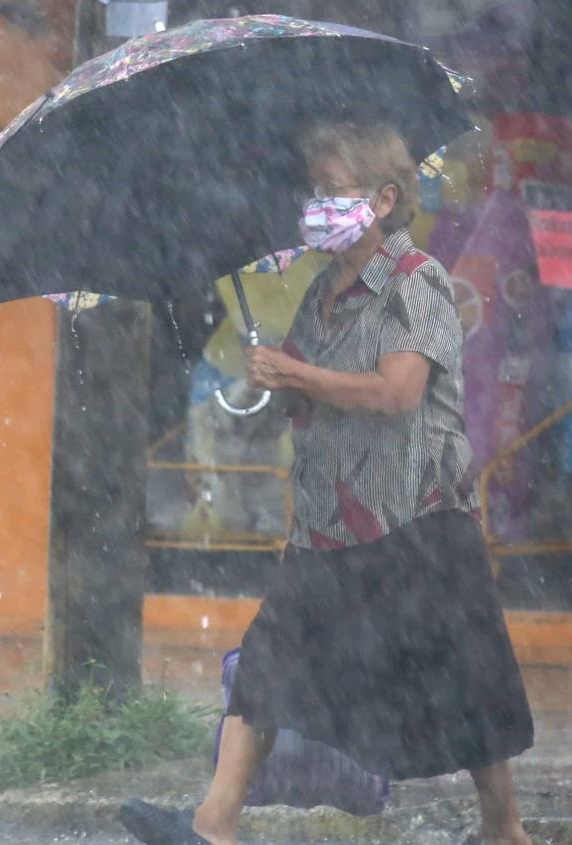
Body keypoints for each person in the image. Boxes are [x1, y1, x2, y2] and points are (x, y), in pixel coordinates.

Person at [122, 122, 535, 845]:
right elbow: (312, 400)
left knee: (467, 686)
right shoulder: (319, 296)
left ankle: (505, 830)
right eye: (313, 191)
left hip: (417, 521)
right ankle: (212, 823)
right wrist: (271, 379)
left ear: (382, 198)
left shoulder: (420, 282)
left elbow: (396, 392)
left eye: (334, 191)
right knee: (265, 667)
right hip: (328, 527)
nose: (317, 205)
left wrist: (298, 374)